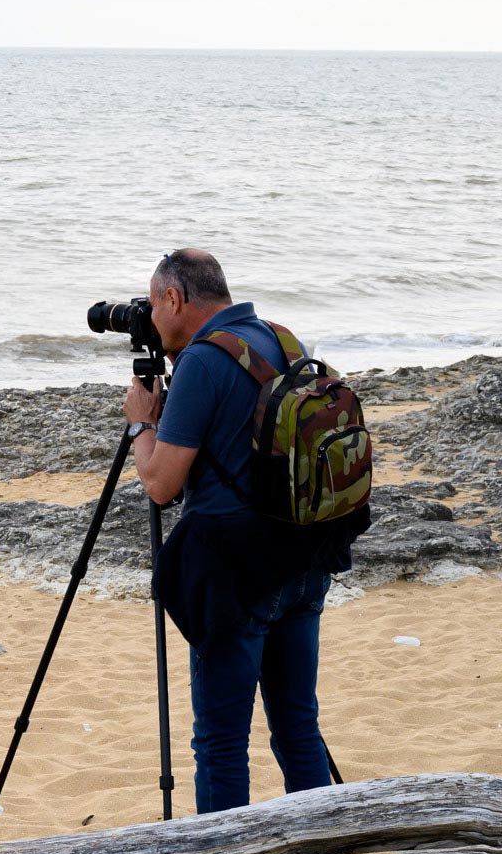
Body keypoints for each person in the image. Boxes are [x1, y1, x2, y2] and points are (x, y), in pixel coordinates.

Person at [121, 248, 346, 814]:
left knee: (221, 744)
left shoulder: (201, 361)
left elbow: (161, 484)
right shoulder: (281, 340)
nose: (149, 318)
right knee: (298, 728)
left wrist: (142, 423)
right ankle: (323, 849)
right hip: (302, 561)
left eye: (152, 304)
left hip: (235, 579)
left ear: (174, 299)